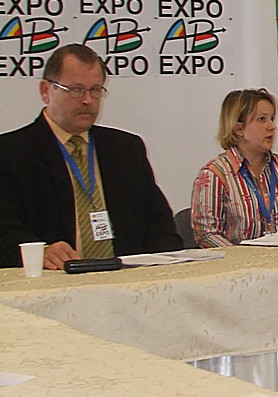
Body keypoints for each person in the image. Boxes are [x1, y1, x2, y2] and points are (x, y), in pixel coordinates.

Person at [0, 44, 181, 269]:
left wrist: (162, 268)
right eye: (76, 90)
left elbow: (160, 225)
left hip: (126, 279)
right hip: (55, 279)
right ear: (46, 91)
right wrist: (40, 252)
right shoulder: (11, 153)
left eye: (95, 90)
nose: (87, 100)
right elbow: (5, 230)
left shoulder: (126, 148)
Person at [190, 88, 278, 247]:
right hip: (237, 261)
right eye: (261, 119)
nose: (272, 126)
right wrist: (244, 258)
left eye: (272, 119)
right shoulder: (215, 174)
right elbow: (207, 234)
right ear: (238, 129)